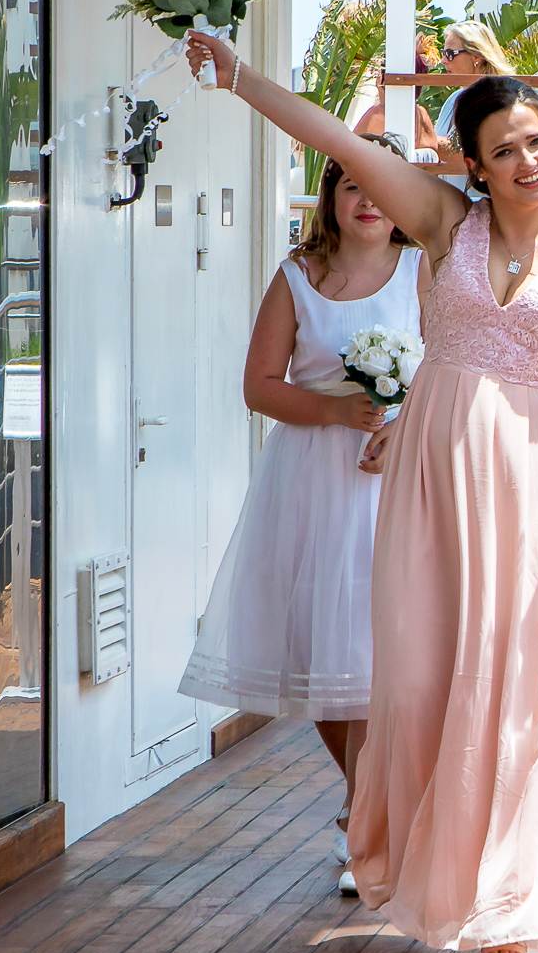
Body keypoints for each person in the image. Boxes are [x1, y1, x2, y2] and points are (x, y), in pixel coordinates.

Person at [184, 27, 538, 953]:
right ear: (474, 164)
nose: (529, 161)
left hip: (537, 478)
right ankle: (438, 864)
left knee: (530, 679)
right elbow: (339, 143)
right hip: (437, 471)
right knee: (430, 674)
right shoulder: (443, 224)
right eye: (505, 150)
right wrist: (240, 78)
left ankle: (514, 895)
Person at [178, 134, 426, 897]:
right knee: (323, 654)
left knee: (383, 654)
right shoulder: (300, 275)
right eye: (351, 184)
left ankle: (368, 817)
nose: (368, 199)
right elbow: (259, 385)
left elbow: (451, 369)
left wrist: (402, 424)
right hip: (312, 482)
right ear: (330, 196)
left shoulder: (424, 270)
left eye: (381, 185)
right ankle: (365, 805)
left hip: (396, 478)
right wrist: (336, 410)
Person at [435, 21, 516, 147]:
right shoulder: (453, 99)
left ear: (476, 56)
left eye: (450, 54)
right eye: (444, 53)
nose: (443, 60)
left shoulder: (498, 101)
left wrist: (429, 141)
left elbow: (478, 151)